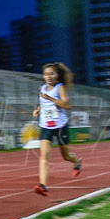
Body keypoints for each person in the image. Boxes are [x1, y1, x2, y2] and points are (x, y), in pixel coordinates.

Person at [32, 62, 81, 196]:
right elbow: (44, 104)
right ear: (43, 76)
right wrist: (37, 110)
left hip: (60, 126)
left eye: (51, 74)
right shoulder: (42, 88)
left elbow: (66, 105)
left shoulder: (60, 88)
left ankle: (77, 161)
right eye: (46, 74)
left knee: (66, 156)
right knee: (44, 156)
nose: (49, 77)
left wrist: (50, 98)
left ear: (57, 75)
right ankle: (43, 185)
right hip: (45, 126)